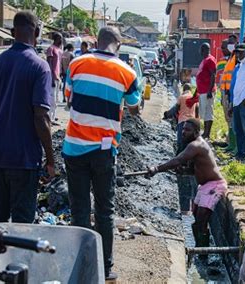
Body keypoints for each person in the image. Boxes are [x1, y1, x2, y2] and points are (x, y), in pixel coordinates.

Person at [63, 27, 140, 281]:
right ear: (118, 45)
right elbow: (133, 107)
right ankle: (105, 268)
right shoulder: (127, 72)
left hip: (74, 148)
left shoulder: (76, 64)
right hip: (104, 152)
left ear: (97, 41)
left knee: (79, 209)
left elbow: (68, 97)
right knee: (105, 211)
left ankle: (81, 265)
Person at [0, 11, 55, 224]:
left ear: (13, 32)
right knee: (22, 227)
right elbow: (40, 118)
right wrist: (50, 160)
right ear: (38, 33)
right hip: (23, 159)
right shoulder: (40, 67)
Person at [148, 119, 227, 249]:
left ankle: (202, 256)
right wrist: (184, 171)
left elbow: (178, 159)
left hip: (214, 186)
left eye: (187, 130)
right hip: (204, 186)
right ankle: (200, 252)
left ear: (196, 132)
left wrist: (157, 169)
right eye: (183, 129)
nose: (183, 132)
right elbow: (194, 169)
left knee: (201, 222)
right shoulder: (193, 145)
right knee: (196, 221)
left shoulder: (196, 145)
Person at [220, 35, 239, 154]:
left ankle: (234, 145)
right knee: (229, 119)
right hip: (227, 92)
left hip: (232, 93)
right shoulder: (230, 58)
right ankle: (231, 144)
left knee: (233, 120)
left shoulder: (236, 58)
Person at [196, 43, 217, 139]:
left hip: (207, 91)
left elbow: (213, 75)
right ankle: (205, 132)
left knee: (208, 112)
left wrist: (209, 91)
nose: (199, 52)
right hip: (202, 90)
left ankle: (207, 133)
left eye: (200, 49)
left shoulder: (210, 60)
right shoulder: (204, 60)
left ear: (204, 50)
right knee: (204, 112)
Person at [176, 84, 199, 153]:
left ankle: (179, 157)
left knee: (180, 141)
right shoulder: (193, 97)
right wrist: (196, 119)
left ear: (183, 89)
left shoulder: (181, 97)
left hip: (182, 121)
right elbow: (197, 109)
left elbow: (177, 108)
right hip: (192, 123)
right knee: (189, 143)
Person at [46, 33, 63, 125]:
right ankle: (49, 118)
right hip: (53, 76)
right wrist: (51, 77)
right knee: (51, 98)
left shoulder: (59, 50)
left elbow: (59, 64)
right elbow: (49, 63)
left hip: (58, 77)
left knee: (56, 98)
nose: (61, 40)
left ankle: (53, 116)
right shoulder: (51, 49)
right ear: (56, 39)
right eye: (60, 38)